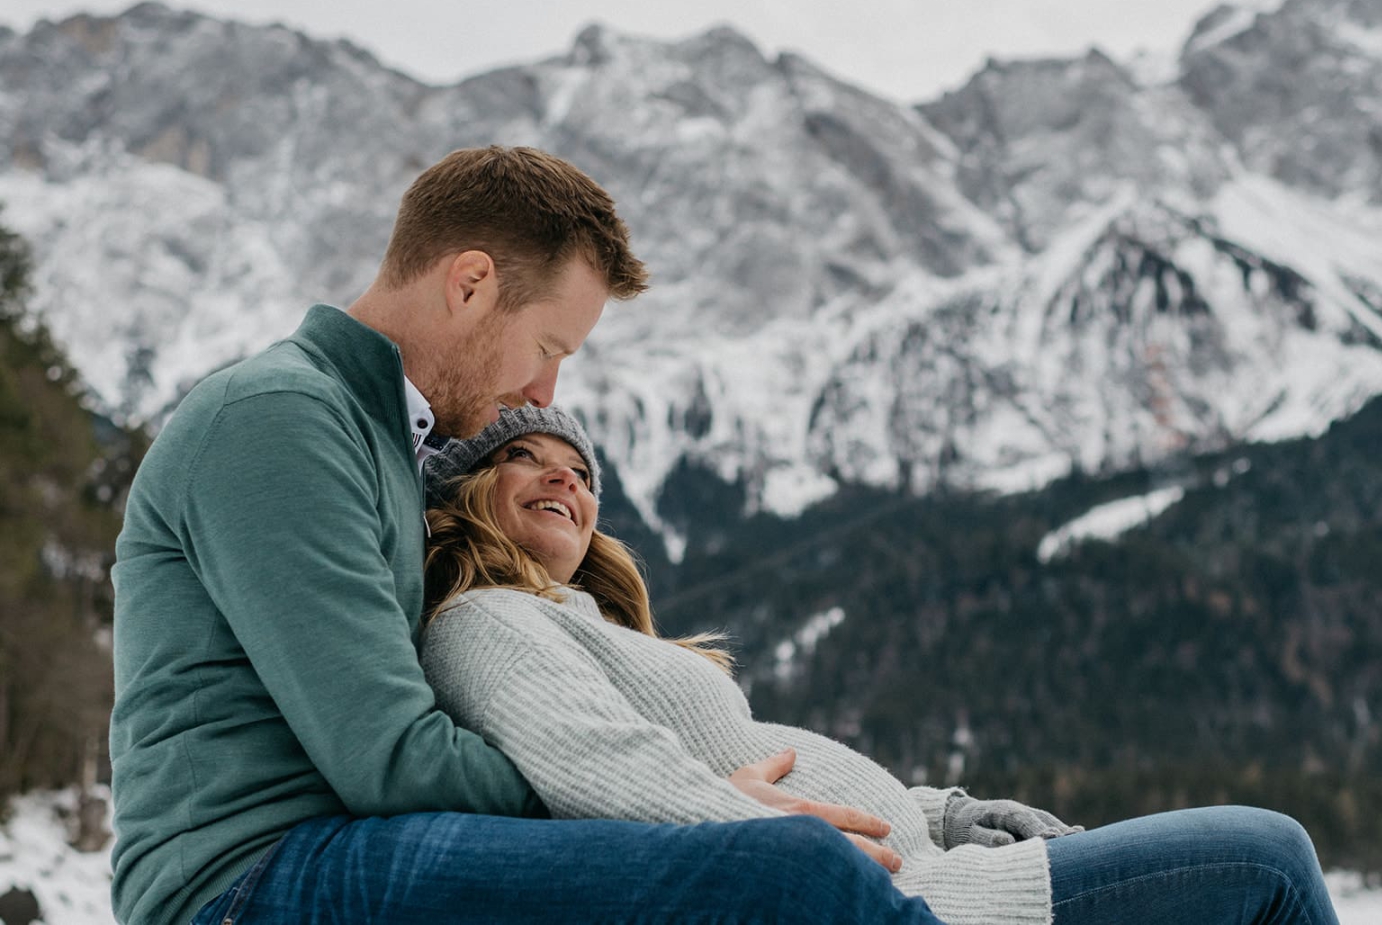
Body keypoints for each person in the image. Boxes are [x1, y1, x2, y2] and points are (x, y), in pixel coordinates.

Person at [109, 146, 942, 925]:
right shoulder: (280, 417)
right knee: (790, 874)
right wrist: (683, 797)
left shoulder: (384, 444)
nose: (542, 389)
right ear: (470, 283)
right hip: (245, 875)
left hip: (338, 844)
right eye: (547, 347)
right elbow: (390, 758)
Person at [420, 404, 1344, 925]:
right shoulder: (485, 621)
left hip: (934, 864)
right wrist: (762, 829)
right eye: (522, 457)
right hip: (909, 899)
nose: (565, 480)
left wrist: (947, 809)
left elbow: (751, 753)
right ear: (465, 492)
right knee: (1270, 857)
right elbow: (607, 770)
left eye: (581, 474)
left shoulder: (579, 622)